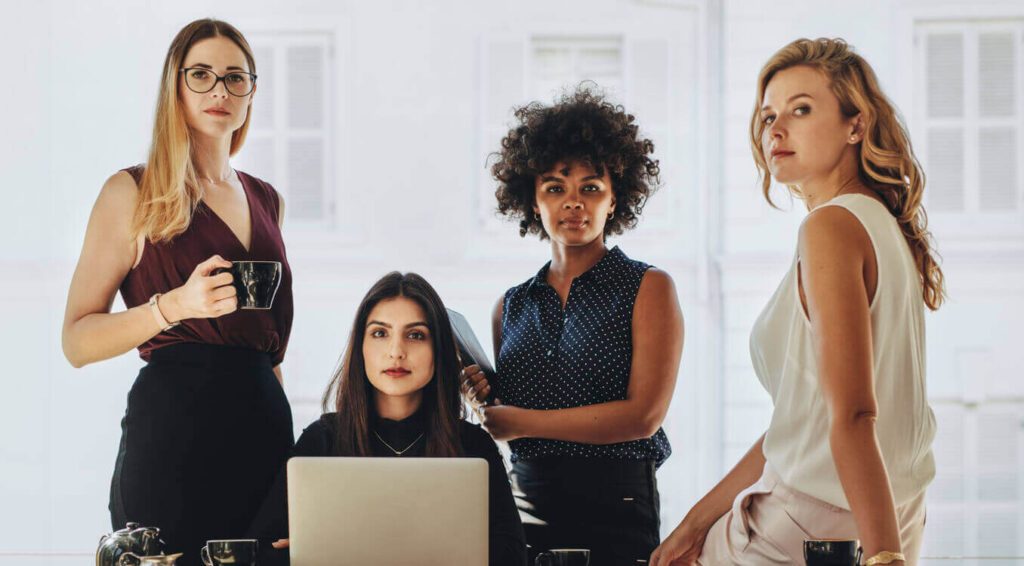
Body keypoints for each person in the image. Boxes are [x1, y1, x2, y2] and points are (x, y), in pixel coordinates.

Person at [649, 38, 943, 566]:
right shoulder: (883, 227)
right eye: (768, 116)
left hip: (808, 527)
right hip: (893, 513)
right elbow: (806, 422)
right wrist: (696, 523)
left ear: (856, 125)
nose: (775, 129)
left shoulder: (831, 226)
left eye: (800, 109)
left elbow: (853, 414)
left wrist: (884, 559)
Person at [61, 19, 293, 565]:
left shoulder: (268, 199)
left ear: (251, 91)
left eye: (235, 77)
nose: (220, 90)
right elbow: (76, 341)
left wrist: (293, 453)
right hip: (174, 436)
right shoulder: (132, 192)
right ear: (176, 86)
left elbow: (269, 348)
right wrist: (174, 306)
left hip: (263, 432)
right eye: (202, 75)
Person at [463, 85, 684, 565]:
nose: (573, 202)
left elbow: (643, 416)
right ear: (532, 201)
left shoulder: (648, 288)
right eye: (555, 187)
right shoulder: (510, 305)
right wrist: (488, 400)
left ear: (615, 198)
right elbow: (513, 416)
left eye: (591, 187)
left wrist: (519, 422)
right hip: (525, 504)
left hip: (618, 507)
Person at [247, 272, 527, 566]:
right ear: (361, 346)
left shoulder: (473, 445)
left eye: (415, 335)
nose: (396, 352)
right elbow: (261, 548)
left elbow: (513, 557)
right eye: (380, 333)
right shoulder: (322, 440)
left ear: (438, 349)